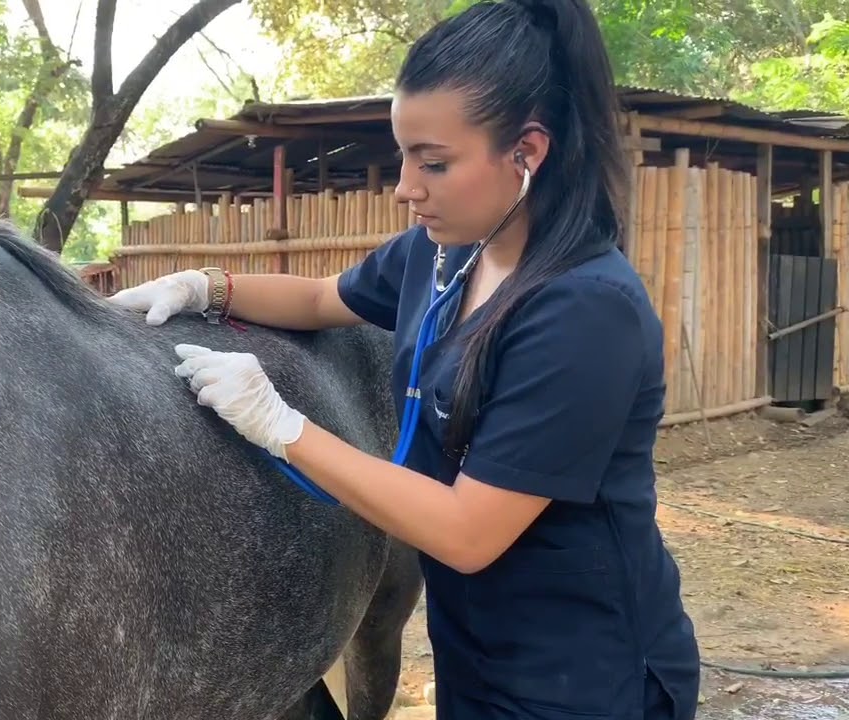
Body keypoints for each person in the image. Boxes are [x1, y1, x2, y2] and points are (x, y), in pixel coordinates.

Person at [108, 0, 700, 717]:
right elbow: (322, 298)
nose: (406, 187)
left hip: (584, 668)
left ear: (527, 152)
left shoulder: (584, 311)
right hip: (477, 642)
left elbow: (467, 532)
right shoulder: (447, 252)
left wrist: (282, 427)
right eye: (405, 156)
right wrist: (207, 286)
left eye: (435, 162)